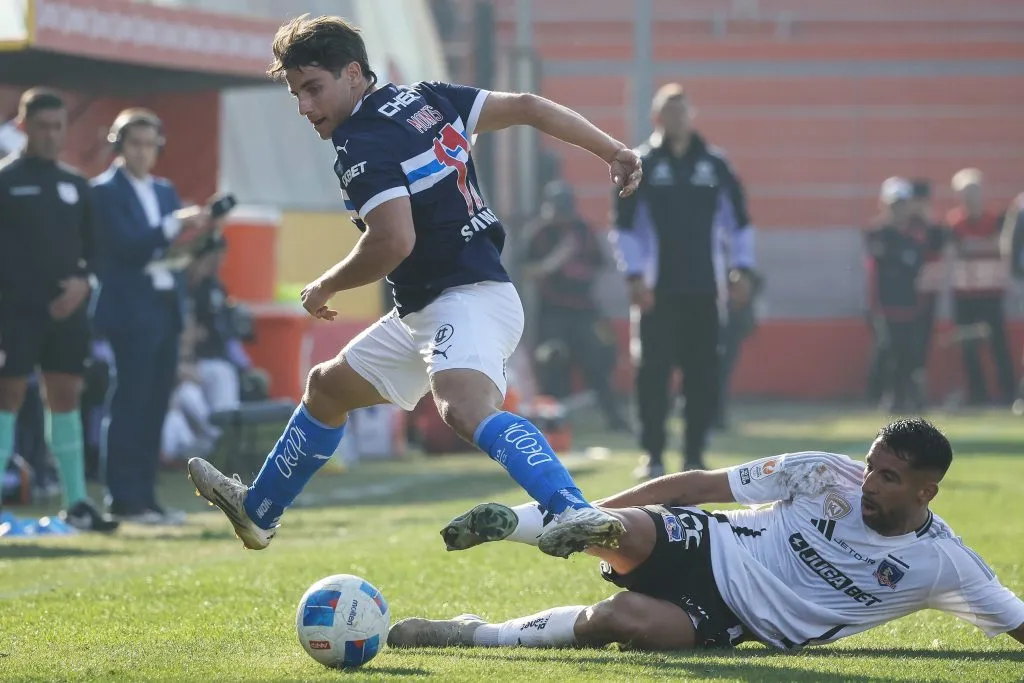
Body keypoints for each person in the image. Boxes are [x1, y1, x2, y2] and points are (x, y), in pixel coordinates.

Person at [186, 14, 643, 558]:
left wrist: (324, 287)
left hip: (466, 299)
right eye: (296, 94)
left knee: (463, 408)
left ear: (353, 73)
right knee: (328, 388)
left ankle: (572, 508)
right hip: (429, 307)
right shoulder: (426, 98)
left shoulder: (360, 142)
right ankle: (259, 510)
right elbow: (527, 105)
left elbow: (391, 242)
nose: (305, 107)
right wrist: (612, 149)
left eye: (313, 89)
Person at [388, 418, 1024, 652]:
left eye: (887, 478)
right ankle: (546, 522)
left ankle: (475, 632)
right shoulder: (821, 474)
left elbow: (1016, 620)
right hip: (717, 541)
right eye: (869, 466)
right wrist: (581, 513)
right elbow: (696, 485)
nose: (867, 484)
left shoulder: (944, 564)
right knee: (620, 530)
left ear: (925, 492)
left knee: (620, 619)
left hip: (737, 623)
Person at [611, 84, 755, 478]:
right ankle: (653, 455)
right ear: (657, 118)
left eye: (682, 111)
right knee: (652, 374)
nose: (676, 119)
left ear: (693, 115)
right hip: (656, 293)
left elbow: (739, 224)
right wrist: (635, 276)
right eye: (668, 112)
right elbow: (622, 228)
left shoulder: (716, 164)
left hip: (705, 291)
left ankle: (694, 455)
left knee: (702, 373)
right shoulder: (639, 162)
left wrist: (742, 269)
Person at [0, 88, 118, 531]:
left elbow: (95, 252)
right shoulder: (5, 181)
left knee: (65, 396)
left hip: (67, 313)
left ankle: (77, 503)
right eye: (42, 126)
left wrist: (82, 284)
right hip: (14, 311)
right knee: (7, 397)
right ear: (24, 127)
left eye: (58, 127)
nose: (51, 135)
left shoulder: (75, 185)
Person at [91, 108, 216, 524]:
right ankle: (122, 498)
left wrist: (197, 234)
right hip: (130, 309)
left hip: (165, 305)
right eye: (135, 143)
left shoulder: (164, 190)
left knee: (156, 404)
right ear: (118, 145)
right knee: (129, 401)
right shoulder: (104, 190)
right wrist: (173, 224)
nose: (144, 152)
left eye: (150, 144)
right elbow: (128, 247)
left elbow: (167, 249)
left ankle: (145, 497)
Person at [522, 180, 628, 431]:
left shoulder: (582, 230)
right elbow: (527, 271)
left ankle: (614, 419)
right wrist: (555, 260)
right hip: (553, 312)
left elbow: (599, 264)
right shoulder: (539, 233)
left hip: (584, 310)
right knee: (552, 362)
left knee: (599, 362)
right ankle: (552, 423)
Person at [946, 168, 1015, 405]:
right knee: (969, 347)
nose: (970, 198)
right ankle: (978, 395)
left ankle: (1009, 393)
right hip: (965, 294)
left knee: (998, 345)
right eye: (966, 194)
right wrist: (983, 246)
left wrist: (972, 247)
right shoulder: (954, 222)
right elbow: (954, 251)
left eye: (974, 192)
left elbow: (1002, 247)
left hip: (991, 292)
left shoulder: (995, 220)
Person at [864, 177, 927, 412]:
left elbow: (915, 263)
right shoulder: (878, 232)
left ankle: (905, 395)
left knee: (908, 351)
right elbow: (887, 260)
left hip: (908, 302)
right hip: (885, 302)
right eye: (894, 204)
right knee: (888, 349)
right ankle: (884, 395)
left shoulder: (913, 235)